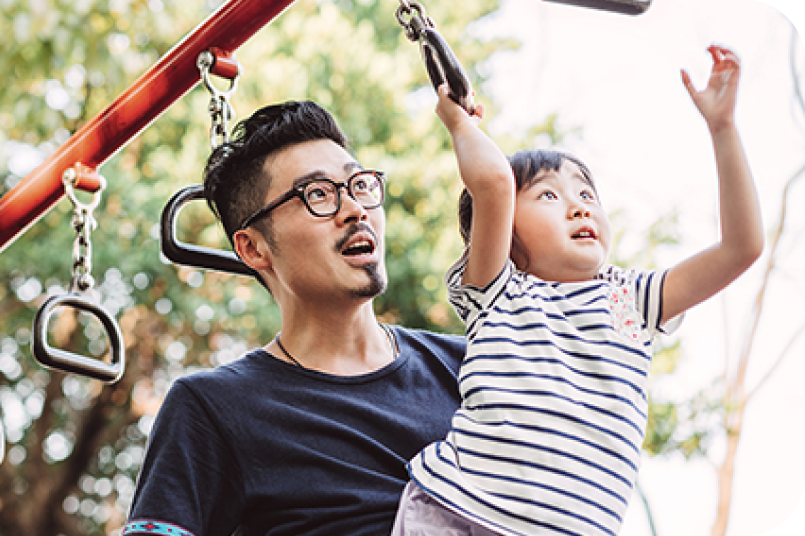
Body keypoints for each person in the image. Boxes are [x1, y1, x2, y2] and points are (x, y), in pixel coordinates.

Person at [392, 45, 764, 536]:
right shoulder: (498, 292)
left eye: (587, 194)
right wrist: (461, 123)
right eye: (548, 194)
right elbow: (494, 184)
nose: (580, 206)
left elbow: (741, 247)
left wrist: (723, 129)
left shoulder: (629, 300)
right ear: (505, 232)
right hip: (458, 511)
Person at [122, 101, 466, 536]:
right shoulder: (211, 408)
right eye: (318, 194)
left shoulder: (471, 368)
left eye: (359, 185)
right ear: (253, 248)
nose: (355, 209)